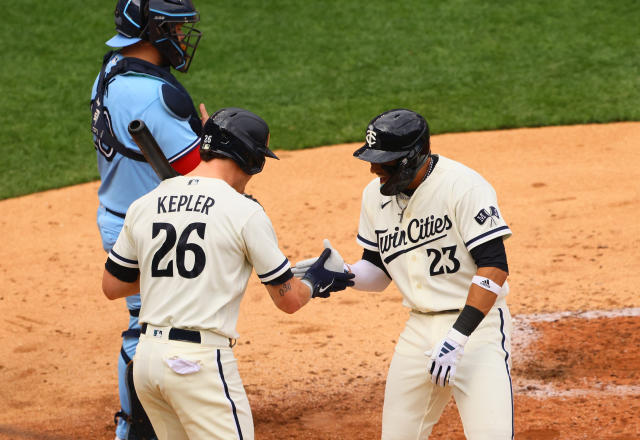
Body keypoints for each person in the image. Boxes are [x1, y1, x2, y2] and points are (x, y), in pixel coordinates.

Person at [101, 107, 354, 440]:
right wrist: (317, 280)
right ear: (251, 159)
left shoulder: (145, 203)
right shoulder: (244, 211)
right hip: (197, 366)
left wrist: (181, 270)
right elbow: (289, 300)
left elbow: (113, 285)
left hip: (147, 363)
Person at [294, 108, 514, 439]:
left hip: (475, 330)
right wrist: (346, 273)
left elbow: (495, 267)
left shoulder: (463, 186)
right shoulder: (373, 197)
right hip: (418, 330)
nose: (373, 168)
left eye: (384, 160)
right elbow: (379, 271)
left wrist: (457, 338)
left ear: (412, 157)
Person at [91, 1, 206, 438]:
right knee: (153, 330)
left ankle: (137, 422)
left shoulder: (113, 68)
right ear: (152, 30)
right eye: (175, 30)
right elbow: (199, 170)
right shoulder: (150, 94)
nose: (181, 39)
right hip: (151, 230)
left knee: (146, 321)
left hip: (123, 213)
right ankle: (141, 428)